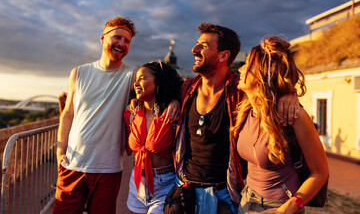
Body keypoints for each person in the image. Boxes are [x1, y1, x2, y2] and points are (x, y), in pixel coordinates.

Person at [174, 23, 300, 214]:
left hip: (225, 194)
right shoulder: (186, 90)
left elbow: (268, 92)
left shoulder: (240, 91)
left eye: (204, 46)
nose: (194, 49)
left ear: (223, 55)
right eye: (197, 44)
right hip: (185, 190)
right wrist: (168, 103)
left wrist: (289, 95)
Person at [232, 36, 329, 213]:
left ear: (263, 72)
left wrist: (287, 209)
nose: (241, 69)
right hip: (246, 200)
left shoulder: (293, 116)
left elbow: (320, 173)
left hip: (281, 206)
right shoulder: (244, 109)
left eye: (247, 64)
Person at [53, 16, 138, 214]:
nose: (122, 44)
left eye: (127, 41)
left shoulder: (132, 75)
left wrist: (175, 102)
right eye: (117, 37)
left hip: (107, 168)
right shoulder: (79, 72)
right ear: (102, 38)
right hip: (72, 163)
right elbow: (68, 114)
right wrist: (60, 152)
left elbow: (161, 88)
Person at [124, 61, 183, 214]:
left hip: (165, 183)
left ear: (159, 81)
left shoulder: (172, 114)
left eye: (142, 78)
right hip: (136, 181)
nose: (136, 83)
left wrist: (176, 101)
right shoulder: (134, 113)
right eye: (136, 79)